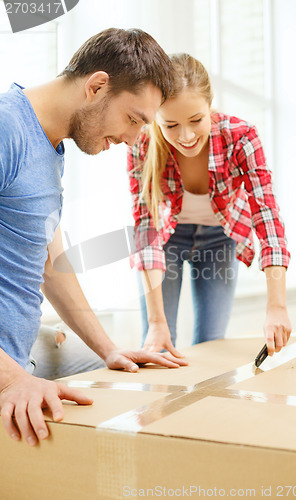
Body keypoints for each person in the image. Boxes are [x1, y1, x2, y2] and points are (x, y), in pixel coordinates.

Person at [0, 28, 188, 447]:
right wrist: (11, 381)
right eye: (134, 120)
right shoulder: (7, 128)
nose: (131, 139)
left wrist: (109, 349)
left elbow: (48, 263)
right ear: (97, 86)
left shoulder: (49, 149)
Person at [127, 53, 292, 360]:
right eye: (171, 125)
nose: (186, 136)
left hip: (221, 238)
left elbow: (266, 218)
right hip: (168, 240)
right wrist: (155, 322)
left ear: (210, 106)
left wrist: (277, 307)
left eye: (196, 120)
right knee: (158, 342)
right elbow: (145, 228)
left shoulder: (241, 137)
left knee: (211, 342)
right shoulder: (142, 143)